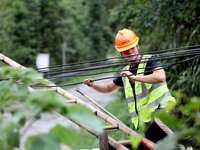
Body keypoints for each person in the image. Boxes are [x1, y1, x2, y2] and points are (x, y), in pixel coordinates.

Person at [83, 28, 176, 149]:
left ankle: (188, 141)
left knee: (153, 133)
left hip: (165, 112)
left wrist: (135, 77)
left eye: (132, 47)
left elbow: (161, 77)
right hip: (149, 124)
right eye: (126, 50)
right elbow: (108, 87)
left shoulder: (150, 60)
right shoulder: (125, 72)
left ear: (138, 46)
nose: (130, 51)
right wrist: (93, 84)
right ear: (121, 53)